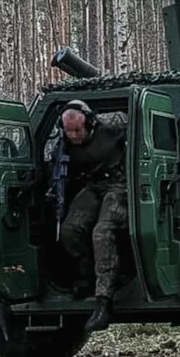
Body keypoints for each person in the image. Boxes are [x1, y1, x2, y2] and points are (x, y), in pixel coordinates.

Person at [54, 99, 129, 332]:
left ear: (90, 123)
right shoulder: (62, 143)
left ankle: (103, 300)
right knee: (69, 230)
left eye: (78, 130)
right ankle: (86, 276)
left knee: (102, 232)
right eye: (69, 131)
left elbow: (135, 117)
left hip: (120, 185)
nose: (74, 136)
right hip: (94, 186)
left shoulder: (111, 124)